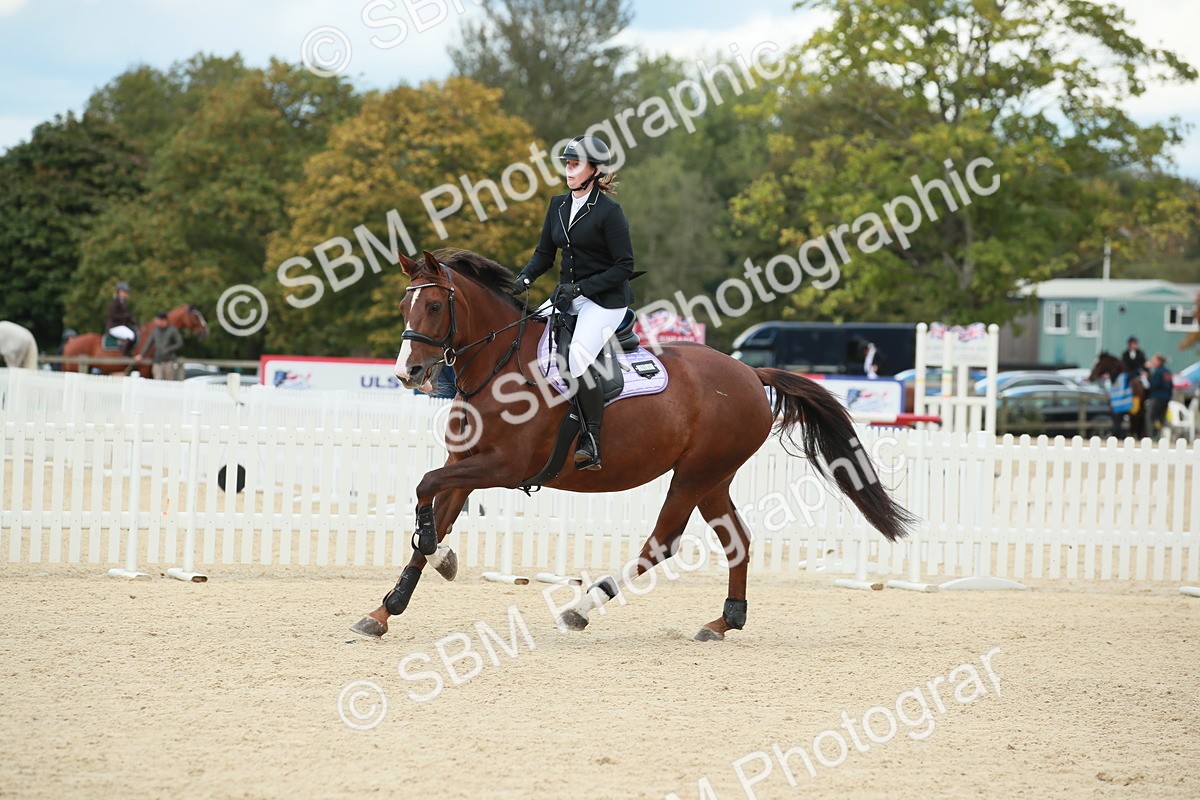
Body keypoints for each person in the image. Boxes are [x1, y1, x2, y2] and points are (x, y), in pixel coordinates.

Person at [510, 134, 635, 471]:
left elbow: (625, 266)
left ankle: (591, 439)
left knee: (578, 360)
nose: (568, 169)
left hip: (605, 301)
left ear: (594, 170)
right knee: (524, 335)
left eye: (575, 163)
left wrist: (581, 289)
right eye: (567, 163)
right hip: (567, 297)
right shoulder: (558, 205)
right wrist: (524, 278)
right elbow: (544, 253)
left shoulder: (609, 212)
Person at [136, 312, 184, 380]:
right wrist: (141, 355)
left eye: (157, 320)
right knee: (157, 381)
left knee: (169, 381)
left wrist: (169, 349)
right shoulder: (155, 331)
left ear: (163, 320)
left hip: (169, 361)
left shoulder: (172, 330)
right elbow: (148, 344)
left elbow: (179, 343)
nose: (155, 322)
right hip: (157, 361)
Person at [106, 281, 138, 358]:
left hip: (121, 326)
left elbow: (125, 316)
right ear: (119, 292)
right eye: (125, 291)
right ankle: (125, 353)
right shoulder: (114, 302)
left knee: (135, 331)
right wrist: (126, 316)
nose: (127, 293)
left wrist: (135, 321)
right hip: (114, 327)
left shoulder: (124, 302)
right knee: (131, 335)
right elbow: (113, 315)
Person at [1144, 353, 1172, 438]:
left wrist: (1148, 376)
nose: (1152, 362)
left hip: (1156, 397)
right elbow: (1170, 386)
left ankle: (1149, 437)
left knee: (1149, 417)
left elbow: (1153, 385)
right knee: (1162, 419)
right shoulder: (1166, 371)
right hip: (1165, 398)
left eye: (1154, 360)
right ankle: (1172, 433)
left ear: (1159, 361)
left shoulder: (1158, 372)